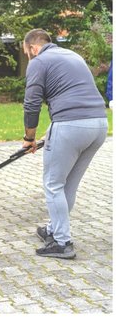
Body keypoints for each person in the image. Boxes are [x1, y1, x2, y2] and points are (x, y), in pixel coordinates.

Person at [22, 29, 108, 259]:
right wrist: (51, 133)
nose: (28, 57)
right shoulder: (72, 55)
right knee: (68, 183)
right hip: (99, 125)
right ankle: (54, 229)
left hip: (71, 125)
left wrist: (29, 138)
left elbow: (31, 104)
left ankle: (62, 242)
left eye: (27, 53)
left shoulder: (39, 62)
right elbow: (73, 94)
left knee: (53, 184)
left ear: (33, 48)